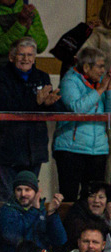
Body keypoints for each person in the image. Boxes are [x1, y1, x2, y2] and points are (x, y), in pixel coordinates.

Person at [0, 37, 62, 201]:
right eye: (21, 54)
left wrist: (50, 104)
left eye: (30, 55)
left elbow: (48, 109)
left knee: (28, 198)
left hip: (33, 149)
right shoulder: (0, 76)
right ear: (11, 57)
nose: (26, 59)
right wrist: (36, 101)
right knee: (4, 199)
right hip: (5, 151)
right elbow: (4, 107)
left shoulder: (42, 77)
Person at [53, 47, 111, 204]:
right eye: (99, 66)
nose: (102, 70)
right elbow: (77, 109)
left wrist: (109, 91)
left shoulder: (101, 83)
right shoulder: (70, 80)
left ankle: (92, 229)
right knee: (69, 197)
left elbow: (109, 113)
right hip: (71, 149)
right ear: (86, 67)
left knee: (94, 200)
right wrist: (100, 90)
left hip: (98, 149)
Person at [0, 170, 66, 252]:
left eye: (27, 190)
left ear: (36, 192)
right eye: (19, 190)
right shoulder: (6, 211)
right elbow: (14, 235)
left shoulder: (43, 211)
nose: (23, 194)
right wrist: (34, 211)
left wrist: (52, 214)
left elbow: (60, 240)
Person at [0, 0, 48, 78]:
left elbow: (41, 46)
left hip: (28, 74)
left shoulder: (28, 11)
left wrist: (29, 28)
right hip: (0, 76)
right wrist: (21, 24)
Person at [64, 181, 111, 249]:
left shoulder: (106, 218)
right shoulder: (76, 217)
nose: (96, 200)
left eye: (101, 197)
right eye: (92, 196)